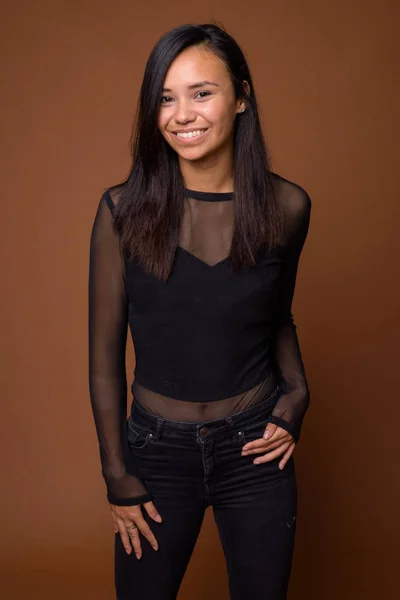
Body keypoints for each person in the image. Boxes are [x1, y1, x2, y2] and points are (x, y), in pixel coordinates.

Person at [88, 22, 312, 600]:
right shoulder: (122, 211)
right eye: (165, 97)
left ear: (241, 97)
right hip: (156, 453)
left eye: (201, 93)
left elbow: (275, 315)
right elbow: (105, 357)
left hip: (255, 450)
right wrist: (118, 473)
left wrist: (296, 393)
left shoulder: (287, 206)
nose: (181, 114)